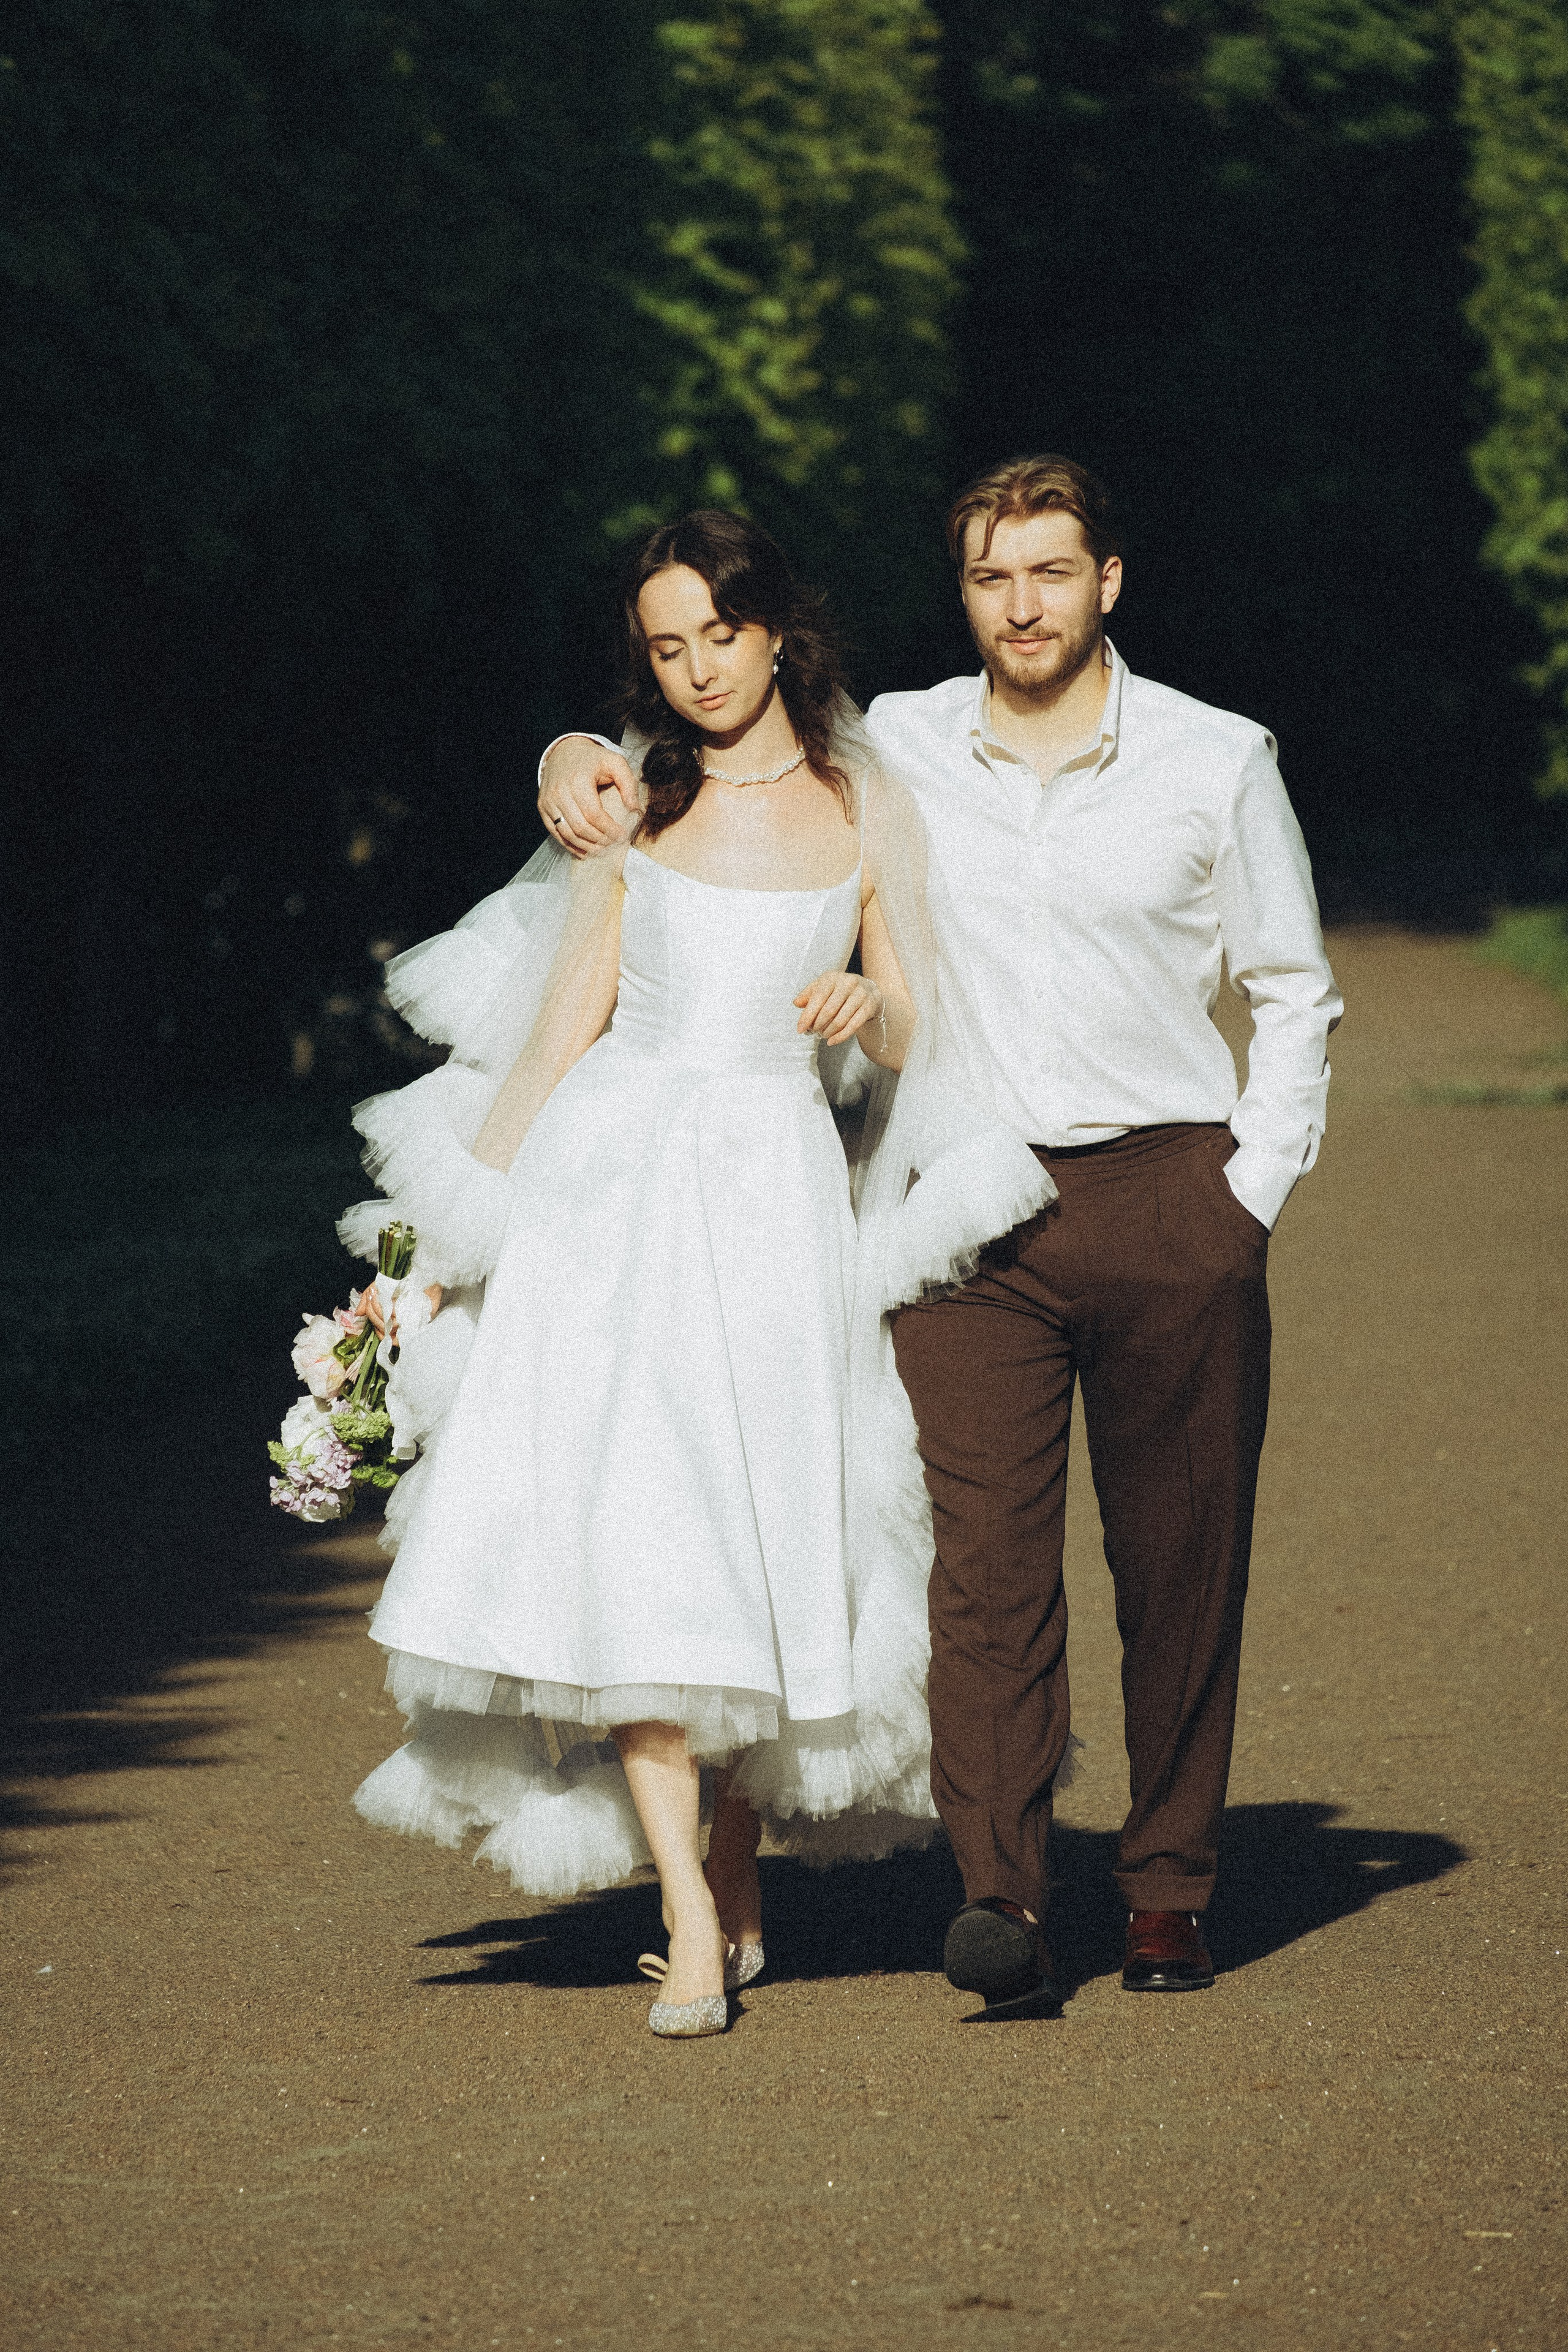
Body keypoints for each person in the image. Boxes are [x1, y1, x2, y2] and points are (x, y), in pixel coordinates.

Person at [537, 455, 1343, 2009]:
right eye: (989, 577)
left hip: (1167, 1189)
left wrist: (1244, 1193)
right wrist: (572, 751)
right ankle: (1004, 1899)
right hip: (961, 1212)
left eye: (1049, 571)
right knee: (978, 1573)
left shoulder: (1214, 759)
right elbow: (713, 736)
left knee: (1178, 1561)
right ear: (961, 593)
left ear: (1108, 579)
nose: (1019, 604)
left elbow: (1293, 988)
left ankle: (1166, 1888)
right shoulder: (891, 743)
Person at [339, 510, 1058, 2038]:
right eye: (663, 648)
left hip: (777, 1195)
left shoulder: (867, 802)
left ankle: (732, 1861)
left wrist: (869, 1002)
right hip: (616, 1192)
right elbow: (556, 1035)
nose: (694, 670)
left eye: (715, 636)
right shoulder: (626, 797)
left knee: (755, 1529)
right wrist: (440, 1242)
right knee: (653, 1537)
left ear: (778, 632)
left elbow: (925, 1032)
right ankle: (681, 1903)